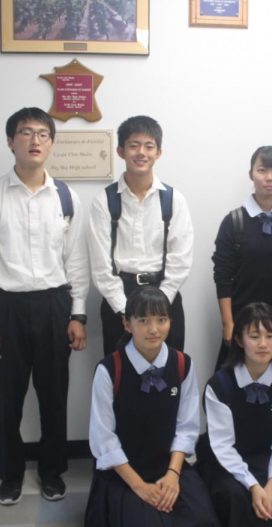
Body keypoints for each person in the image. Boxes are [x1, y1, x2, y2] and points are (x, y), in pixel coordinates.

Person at [0, 107, 90, 505]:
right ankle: (11, 474)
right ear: (10, 141)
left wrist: (77, 314)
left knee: (54, 396)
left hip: (54, 305)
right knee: (7, 397)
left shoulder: (66, 197)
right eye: (25, 133)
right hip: (6, 308)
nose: (34, 141)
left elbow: (76, 262)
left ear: (51, 143)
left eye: (42, 134)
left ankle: (52, 472)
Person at [80, 287, 239, 527]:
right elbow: (104, 440)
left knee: (202, 524)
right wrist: (140, 487)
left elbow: (187, 426)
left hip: (169, 466)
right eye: (143, 321)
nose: (154, 329)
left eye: (162, 319)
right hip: (123, 473)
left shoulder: (182, 364)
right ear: (127, 324)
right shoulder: (109, 369)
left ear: (170, 322)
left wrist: (172, 476)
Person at [196, 302, 272, 527]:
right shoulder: (219, 385)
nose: (263, 344)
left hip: (270, 458)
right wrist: (254, 486)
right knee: (234, 496)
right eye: (254, 336)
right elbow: (222, 445)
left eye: (271, 335)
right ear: (239, 339)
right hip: (229, 460)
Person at [88, 115, 193, 355]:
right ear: (121, 151)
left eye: (149, 146)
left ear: (159, 152)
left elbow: (180, 260)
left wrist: (158, 308)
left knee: (169, 374)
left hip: (165, 296)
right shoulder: (104, 201)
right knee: (120, 377)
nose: (141, 153)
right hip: (119, 298)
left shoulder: (174, 200)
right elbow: (101, 266)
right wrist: (127, 312)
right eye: (133, 145)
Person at [212, 146, 272, 378]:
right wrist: (228, 323)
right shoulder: (233, 221)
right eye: (262, 170)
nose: (269, 177)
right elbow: (222, 276)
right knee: (237, 385)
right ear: (251, 174)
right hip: (244, 318)